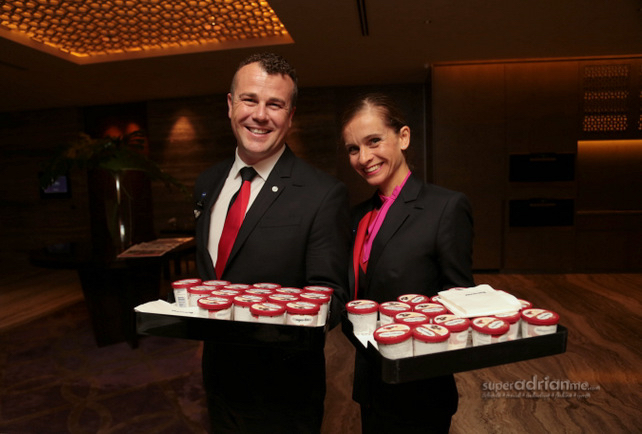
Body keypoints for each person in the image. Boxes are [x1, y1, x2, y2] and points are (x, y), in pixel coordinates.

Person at [193, 52, 350, 433]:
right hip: (217, 377)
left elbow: (331, 298)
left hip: (284, 391)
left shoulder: (322, 193)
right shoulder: (207, 183)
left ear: (290, 116)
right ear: (230, 105)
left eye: (275, 104)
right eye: (250, 99)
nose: (260, 115)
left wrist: (266, 319)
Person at [341, 93, 475, 433]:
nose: (364, 157)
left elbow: (460, 300)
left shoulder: (444, 207)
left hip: (420, 389)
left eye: (374, 141)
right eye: (354, 149)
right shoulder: (357, 216)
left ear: (403, 137)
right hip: (371, 384)